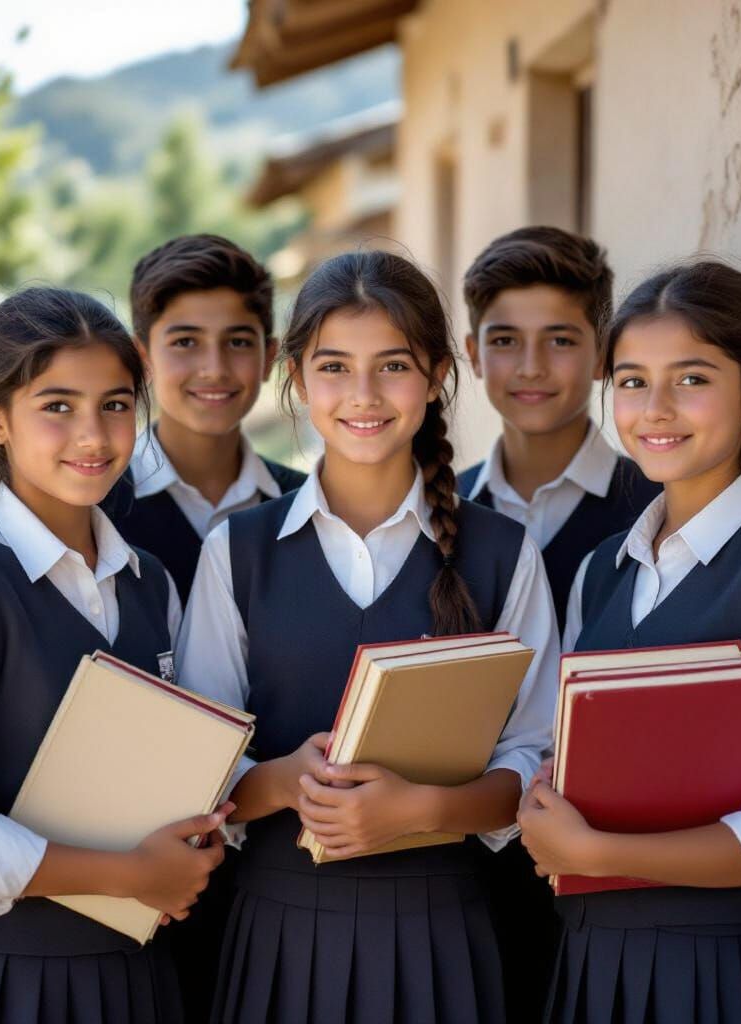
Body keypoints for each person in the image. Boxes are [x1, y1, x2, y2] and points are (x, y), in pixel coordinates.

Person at [178, 250, 560, 1023]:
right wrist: (285, 780)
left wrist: (418, 808)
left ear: (437, 376)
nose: (362, 395)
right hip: (277, 936)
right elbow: (195, 767)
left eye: (392, 365)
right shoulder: (235, 553)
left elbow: (537, 759)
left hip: (444, 937)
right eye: (333, 366)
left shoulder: (504, 553)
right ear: (295, 377)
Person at [0, 288, 229, 1023]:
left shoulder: (150, 584)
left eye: (117, 404)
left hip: (147, 974)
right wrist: (133, 873)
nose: (93, 435)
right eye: (58, 406)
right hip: (19, 983)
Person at [520, 260, 741, 1024]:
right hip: (589, 968)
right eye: (633, 381)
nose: (655, 409)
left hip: (716, 977)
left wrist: (600, 856)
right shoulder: (600, 573)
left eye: (692, 379)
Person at [458, 226, 659, 1019]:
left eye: (562, 340)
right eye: (505, 340)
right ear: (473, 356)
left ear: (604, 352)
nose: (531, 367)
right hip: (467, 887)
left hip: (623, 887)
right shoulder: (440, 522)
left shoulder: (659, 508)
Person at [104, 234, 305, 606]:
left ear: (268, 356)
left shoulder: (309, 507)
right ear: (141, 357)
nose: (214, 369)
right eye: (185, 342)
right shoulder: (96, 508)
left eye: (239, 342)